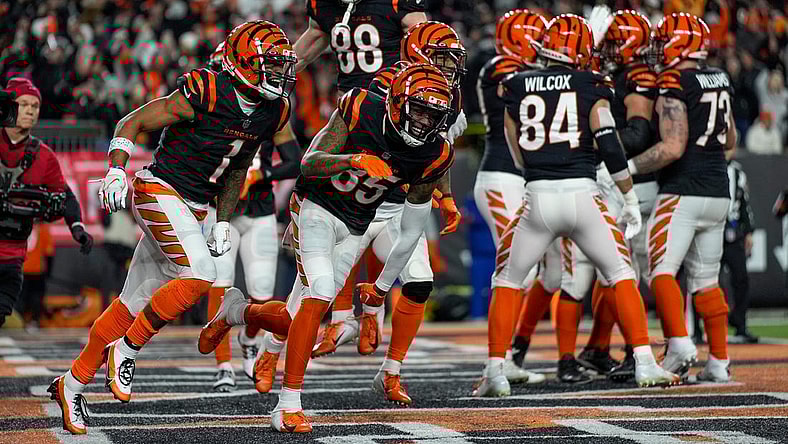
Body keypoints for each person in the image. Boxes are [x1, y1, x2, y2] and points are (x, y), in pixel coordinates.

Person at [46, 21, 296, 435]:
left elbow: (235, 169)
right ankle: (127, 349)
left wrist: (222, 220)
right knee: (202, 274)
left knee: (131, 301)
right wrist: (115, 169)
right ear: (245, 64)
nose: (278, 74)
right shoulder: (207, 90)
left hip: (196, 207)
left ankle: (70, 384)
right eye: (270, 65)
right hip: (158, 189)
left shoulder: (273, 109)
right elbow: (134, 120)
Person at [200, 63, 455, 432]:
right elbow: (308, 165)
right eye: (418, 109)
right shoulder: (361, 107)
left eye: (433, 115)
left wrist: (379, 291)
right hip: (315, 206)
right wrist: (351, 159)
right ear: (397, 102)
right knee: (319, 294)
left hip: (355, 224)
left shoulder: (434, 152)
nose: (423, 121)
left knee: (296, 318)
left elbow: (410, 233)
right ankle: (288, 406)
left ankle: (236, 311)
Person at [472, 14, 678, 398]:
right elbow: (609, 142)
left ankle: (496, 369)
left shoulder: (515, 84)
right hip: (584, 195)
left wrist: (535, 171)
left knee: (507, 280)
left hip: (536, 197)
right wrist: (629, 195)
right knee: (620, 272)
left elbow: (513, 144)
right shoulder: (591, 83)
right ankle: (646, 362)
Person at [626, 13, 736, 383]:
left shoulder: (674, 80)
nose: (657, 48)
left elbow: (673, 147)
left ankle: (679, 344)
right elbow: (731, 141)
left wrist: (627, 167)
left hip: (682, 190)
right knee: (706, 279)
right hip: (719, 190)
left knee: (661, 272)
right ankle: (719, 361)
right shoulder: (719, 76)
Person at [200, 42, 302, 392]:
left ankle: (249, 338)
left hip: (257, 209)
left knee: (261, 291)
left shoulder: (273, 111)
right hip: (219, 208)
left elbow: (294, 160)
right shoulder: (209, 106)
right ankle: (223, 364)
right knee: (219, 285)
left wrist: (263, 176)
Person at [573, 8, 661, 384]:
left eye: (610, 43)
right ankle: (601, 347)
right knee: (612, 272)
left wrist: (596, 143)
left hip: (631, 185)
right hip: (614, 182)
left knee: (623, 272)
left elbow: (639, 134)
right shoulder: (617, 73)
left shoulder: (637, 76)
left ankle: (619, 350)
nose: (604, 50)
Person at [473, 9, 555, 384]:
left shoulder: (523, 71)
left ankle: (508, 355)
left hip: (523, 180)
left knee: (534, 271)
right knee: (512, 270)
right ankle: (498, 361)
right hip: (501, 178)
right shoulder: (499, 69)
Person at [0, 78, 92, 329]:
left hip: (12, 262)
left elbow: (66, 196)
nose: (30, 110)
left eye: (35, 105)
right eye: (23, 104)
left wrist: (77, 227)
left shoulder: (44, 156)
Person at [293, 0, 427, 95]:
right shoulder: (322, 6)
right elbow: (298, 58)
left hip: (393, 97)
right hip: (349, 101)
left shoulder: (397, 4)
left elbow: (427, 53)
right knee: (328, 135)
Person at [723, 146, 757, 343]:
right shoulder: (711, 167)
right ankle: (700, 329)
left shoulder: (738, 172)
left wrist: (749, 231)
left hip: (734, 233)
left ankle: (740, 323)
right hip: (713, 230)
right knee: (706, 280)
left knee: (741, 278)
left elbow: (745, 203)